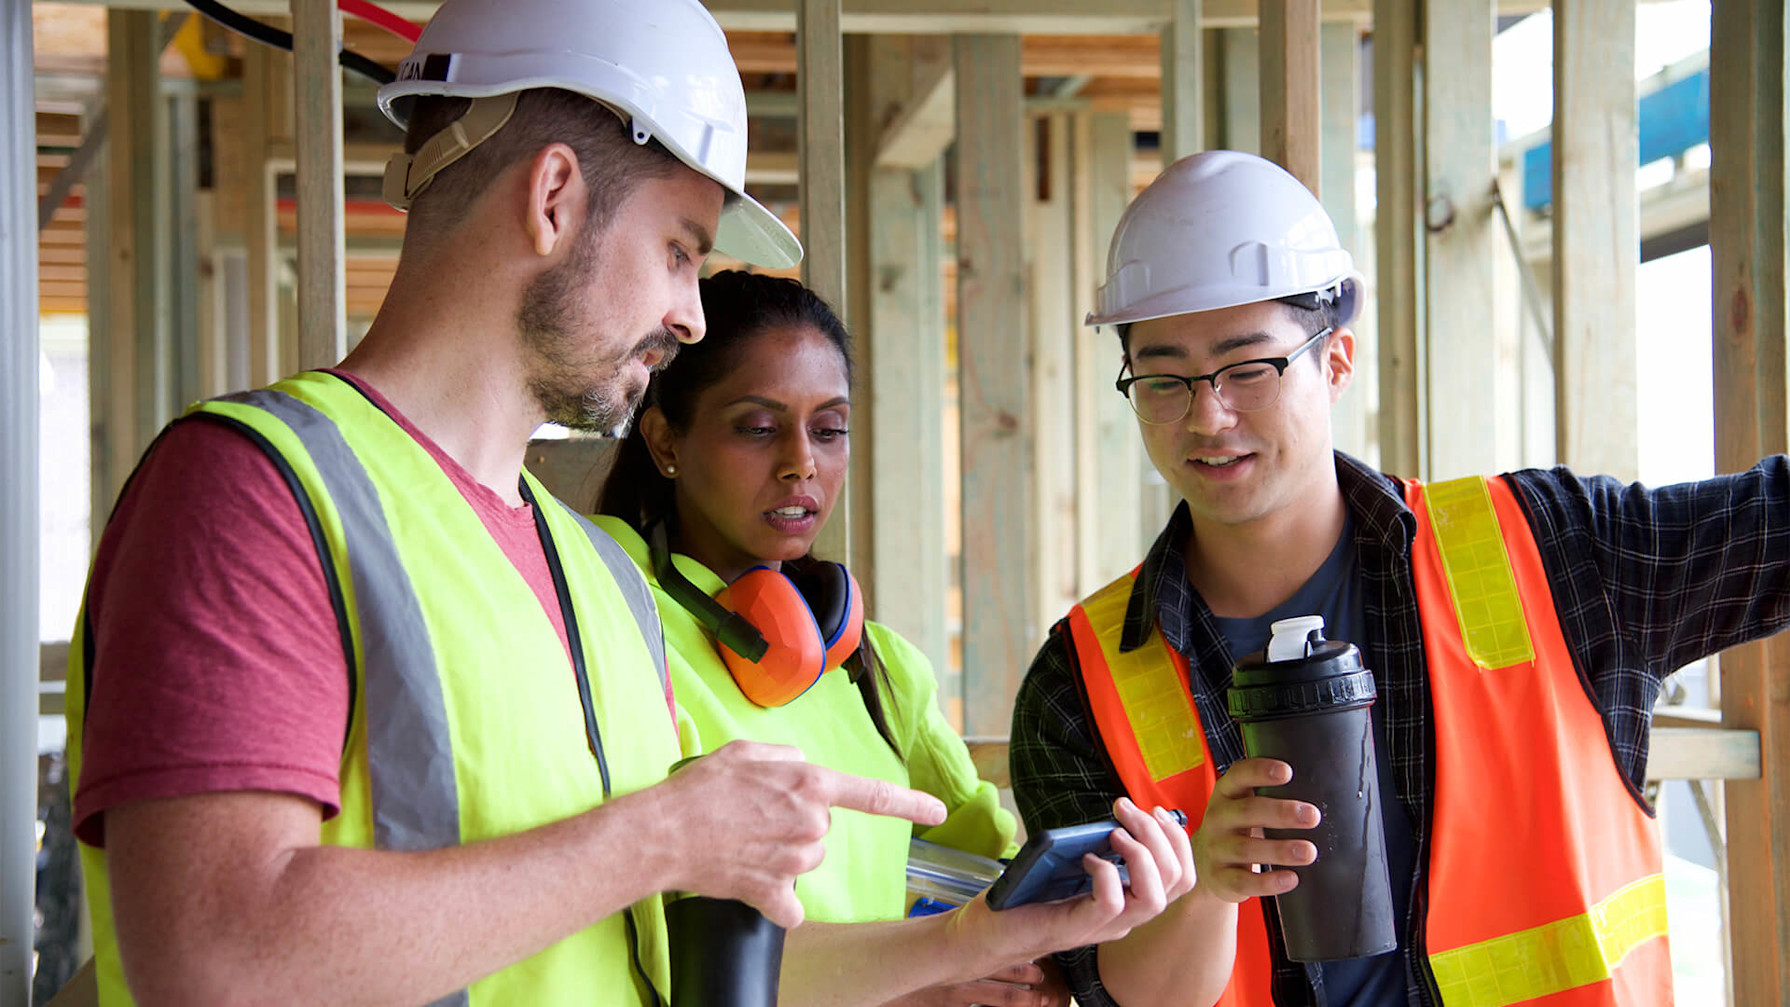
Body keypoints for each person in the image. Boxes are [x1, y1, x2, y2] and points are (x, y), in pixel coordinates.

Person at [62, 2, 949, 1003]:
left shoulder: (602, 581)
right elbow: (216, 956)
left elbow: (626, 948)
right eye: (678, 250)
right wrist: (660, 834)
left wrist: (971, 951)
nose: (691, 315)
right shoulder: (258, 494)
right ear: (556, 196)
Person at [1009, 148, 1790, 1006]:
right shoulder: (1080, 685)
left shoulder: (1555, 552)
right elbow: (1110, 990)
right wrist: (1206, 889)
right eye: (1166, 379)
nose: (1209, 413)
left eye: (1248, 367)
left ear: (1336, 361)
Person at [594, 270, 1191, 1006]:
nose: (801, 463)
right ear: (663, 440)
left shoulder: (875, 666)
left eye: (829, 428)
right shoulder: (606, 613)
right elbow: (631, 941)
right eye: (757, 427)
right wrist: (922, 977)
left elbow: (995, 871)